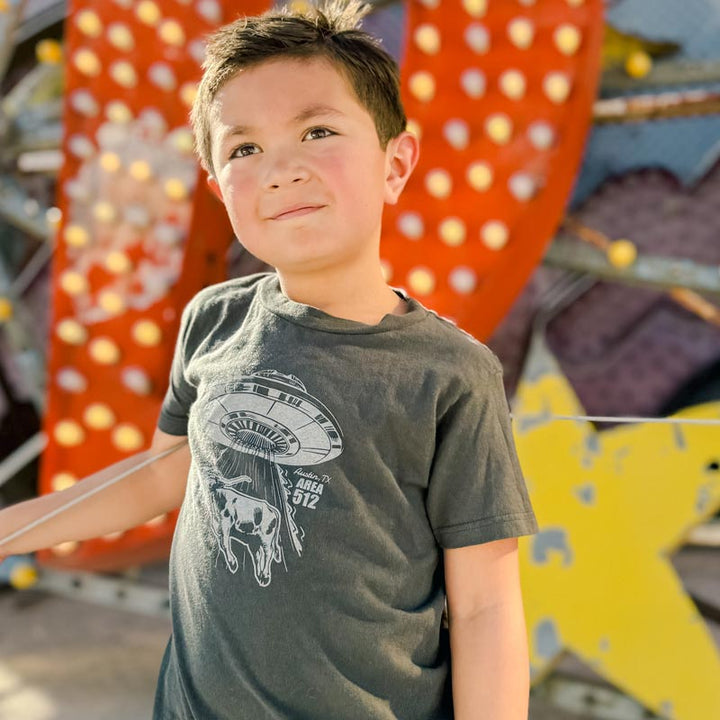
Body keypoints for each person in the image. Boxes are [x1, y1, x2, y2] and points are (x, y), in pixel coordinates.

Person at [0, 1, 539, 717]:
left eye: (318, 131)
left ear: (396, 162)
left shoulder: (452, 375)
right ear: (222, 190)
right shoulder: (213, 319)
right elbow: (162, 475)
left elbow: (485, 612)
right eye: (244, 149)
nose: (281, 169)